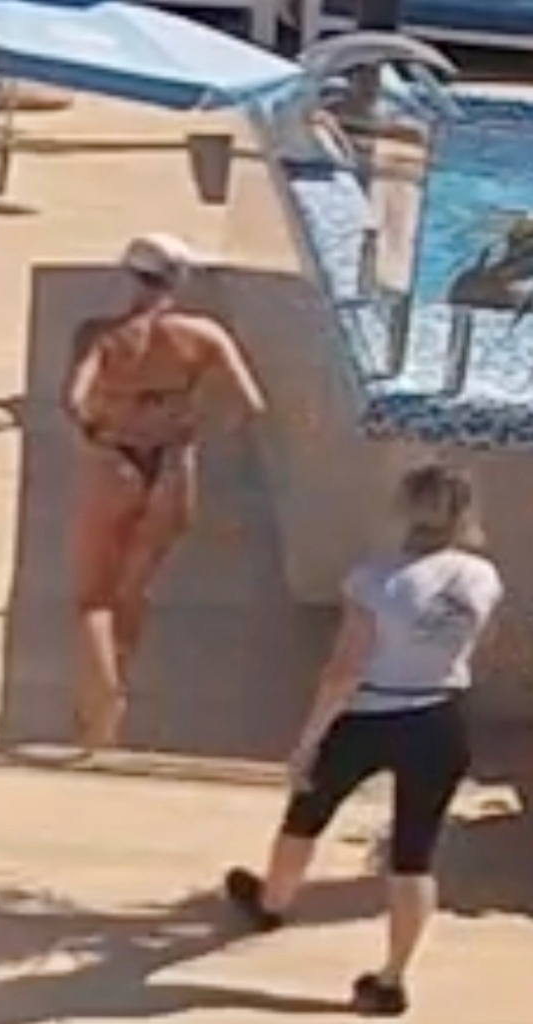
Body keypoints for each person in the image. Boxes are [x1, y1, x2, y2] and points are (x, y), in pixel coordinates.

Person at [224, 464, 503, 1017]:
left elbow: (344, 670)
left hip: (370, 712)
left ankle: (273, 900)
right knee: (413, 856)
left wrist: (308, 740)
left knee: (307, 813)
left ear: (405, 509)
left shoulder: (375, 580)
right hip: (439, 716)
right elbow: (478, 642)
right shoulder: (482, 578)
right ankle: (392, 977)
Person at [61, 232, 267, 750]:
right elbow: (250, 405)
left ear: (129, 275)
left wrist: (100, 429)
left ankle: (101, 711)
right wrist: (191, 428)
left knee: (93, 599)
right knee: (134, 590)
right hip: (173, 465)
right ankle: (118, 674)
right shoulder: (204, 336)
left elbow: (75, 398)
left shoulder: (101, 336)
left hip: (115, 460)